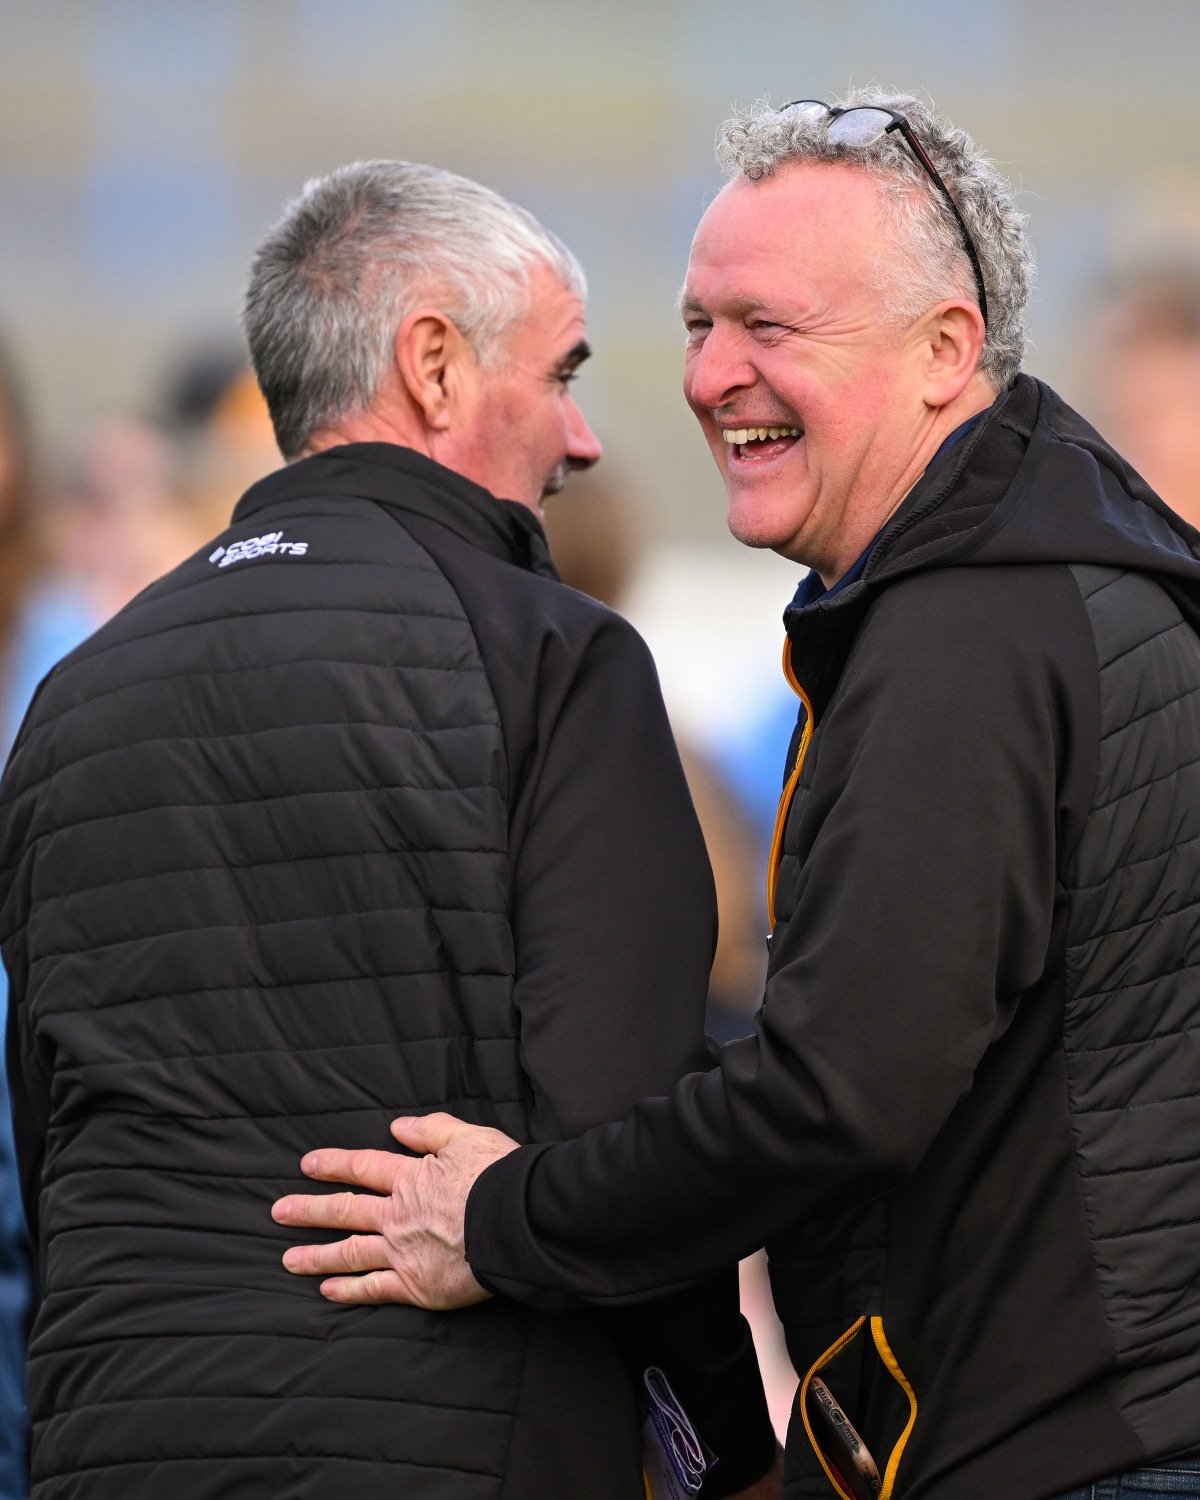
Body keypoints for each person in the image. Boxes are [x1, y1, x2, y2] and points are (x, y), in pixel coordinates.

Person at [273, 92, 1200, 1500]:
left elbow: (838, 1092)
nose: (713, 377)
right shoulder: (1048, 581)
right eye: (701, 325)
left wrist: (502, 1217)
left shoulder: (973, 630)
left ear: (947, 350)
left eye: (770, 326)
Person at [0, 161, 780, 1499]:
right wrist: (724, 1450)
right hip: (460, 1443)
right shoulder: (553, 657)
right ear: (433, 365)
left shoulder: (72, 696)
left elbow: (50, 1144)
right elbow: (625, 1135)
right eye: (562, 373)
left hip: (112, 1440)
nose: (582, 439)